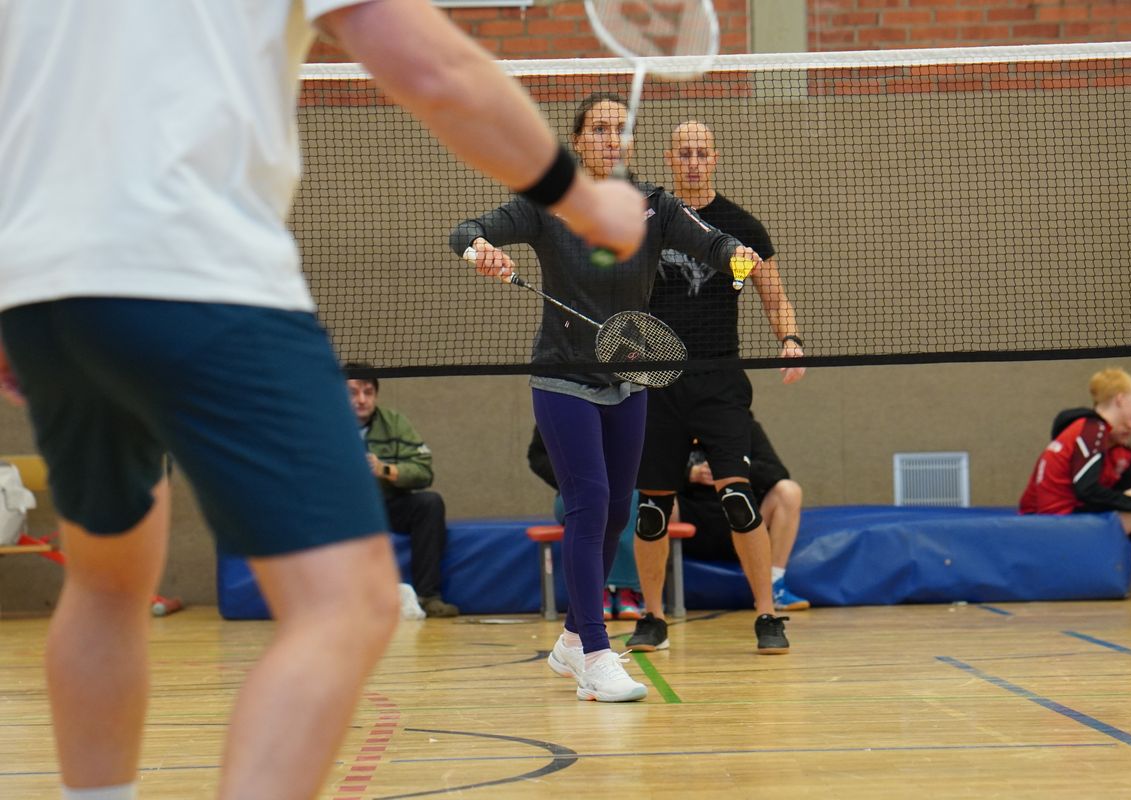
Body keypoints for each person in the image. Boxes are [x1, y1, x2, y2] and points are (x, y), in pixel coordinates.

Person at [0, 3, 647, 797]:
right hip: (200, 276)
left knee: (105, 585)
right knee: (348, 604)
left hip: (41, 290)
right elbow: (438, 70)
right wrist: (583, 198)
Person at [450, 93, 766, 702]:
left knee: (619, 512)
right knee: (589, 505)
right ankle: (595, 654)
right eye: (599, 128)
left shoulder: (654, 205)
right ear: (577, 141)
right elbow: (466, 229)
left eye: (621, 129)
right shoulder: (546, 203)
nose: (611, 138)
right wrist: (478, 249)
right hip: (563, 376)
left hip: (629, 377)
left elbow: (712, 242)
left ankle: (572, 639)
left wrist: (737, 256)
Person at [630, 120, 806, 656]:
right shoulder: (646, 222)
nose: (692, 162)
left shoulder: (742, 226)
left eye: (701, 153)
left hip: (719, 378)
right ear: (669, 159)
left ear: (715, 158)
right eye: (683, 153)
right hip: (658, 379)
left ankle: (767, 615)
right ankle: (652, 618)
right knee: (652, 508)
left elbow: (774, 296)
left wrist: (790, 338)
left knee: (738, 499)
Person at [1019, 368, 1131, 597]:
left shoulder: (1087, 431)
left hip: (1059, 522)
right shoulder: (1093, 429)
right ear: (1120, 399)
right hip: (1064, 530)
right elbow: (1086, 490)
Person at [347, 364, 458, 617]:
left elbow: (423, 471)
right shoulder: (324, 427)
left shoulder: (395, 423)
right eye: (353, 392)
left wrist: (386, 469)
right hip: (341, 511)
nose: (361, 399)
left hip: (385, 505)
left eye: (368, 392)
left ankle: (428, 596)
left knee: (429, 503)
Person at [676, 416, 809, 611]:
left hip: (742, 519)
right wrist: (691, 474)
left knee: (789, 491)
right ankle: (651, 593)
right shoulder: (675, 424)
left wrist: (732, 470)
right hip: (693, 522)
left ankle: (773, 584)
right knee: (653, 500)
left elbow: (776, 471)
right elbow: (652, 473)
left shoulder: (744, 425)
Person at [1046, 407, 1131, 591]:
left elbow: (1115, 490)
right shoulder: (1087, 440)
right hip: (1073, 518)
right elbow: (1088, 493)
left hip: (1099, 512)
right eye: (1126, 420)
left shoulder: (1121, 453)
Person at [528, 427, 643, 620]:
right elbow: (537, 456)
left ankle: (627, 591)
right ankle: (597, 595)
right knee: (592, 505)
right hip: (574, 492)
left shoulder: (627, 412)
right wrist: (570, 478)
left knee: (629, 503)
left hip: (623, 490)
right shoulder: (561, 411)